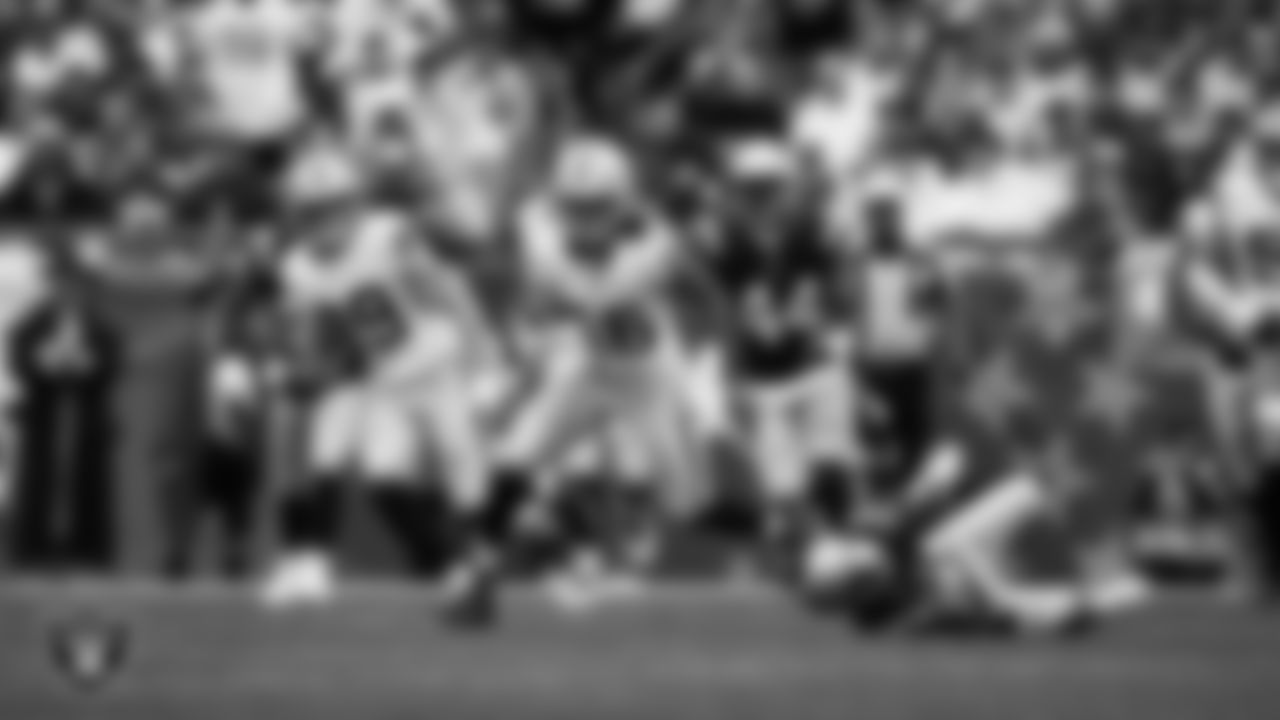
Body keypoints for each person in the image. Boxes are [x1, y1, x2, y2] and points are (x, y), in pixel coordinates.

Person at [260, 143, 496, 610]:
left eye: (332, 209)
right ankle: (454, 571)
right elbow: (321, 332)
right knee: (384, 478)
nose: (324, 222)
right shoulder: (296, 267)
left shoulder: (387, 237)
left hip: (436, 363)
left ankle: (480, 559)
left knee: (461, 461)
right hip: (383, 380)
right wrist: (303, 361)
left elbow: (447, 289)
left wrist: (483, 357)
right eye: (312, 212)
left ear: (354, 205)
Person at [707, 138, 860, 579]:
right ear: (737, 190)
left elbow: (845, 294)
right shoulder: (728, 244)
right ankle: (821, 556)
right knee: (784, 484)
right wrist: (728, 378)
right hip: (762, 376)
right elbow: (724, 313)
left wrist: (841, 269)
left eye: (768, 187)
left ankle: (839, 551)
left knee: (832, 464)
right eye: (751, 188)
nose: (760, 197)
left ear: (785, 187)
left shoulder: (814, 232)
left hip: (815, 365)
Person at [8, 268, 120, 573]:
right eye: (61, 286)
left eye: (74, 287)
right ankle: (36, 547)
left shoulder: (98, 324)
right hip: (46, 412)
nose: (68, 293)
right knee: (42, 480)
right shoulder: (35, 322)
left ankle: (86, 547)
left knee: (84, 479)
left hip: (84, 412)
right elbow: (20, 352)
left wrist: (86, 364)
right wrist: (46, 361)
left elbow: (111, 358)